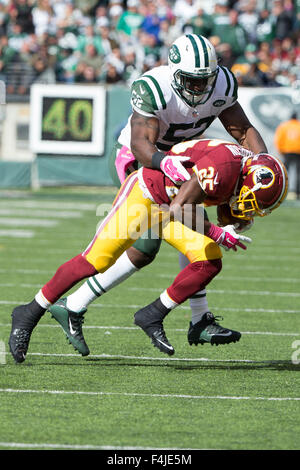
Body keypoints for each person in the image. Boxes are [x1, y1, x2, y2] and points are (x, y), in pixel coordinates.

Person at [9, 33, 268, 359]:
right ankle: (63, 307)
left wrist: (262, 163)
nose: (200, 89)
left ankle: (192, 316)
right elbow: (141, 146)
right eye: (192, 81)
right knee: (145, 245)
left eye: (206, 81)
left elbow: (243, 130)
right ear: (175, 73)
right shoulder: (153, 87)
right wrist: (166, 164)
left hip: (179, 165)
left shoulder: (223, 86)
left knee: (183, 246)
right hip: (140, 163)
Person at [9, 138, 288, 361]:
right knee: (94, 261)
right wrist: (216, 231)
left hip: (172, 203)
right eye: (253, 201)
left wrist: (231, 220)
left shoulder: (242, 168)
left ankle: (153, 314)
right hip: (146, 196)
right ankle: (28, 313)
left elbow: (196, 202)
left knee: (209, 259)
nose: (252, 207)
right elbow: (181, 208)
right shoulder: (225, 166)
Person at [274, 112, 300, 199]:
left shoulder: (284, 126)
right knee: (298, 173)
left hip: (287, 151)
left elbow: (279, 139)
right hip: (298, 151)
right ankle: (297, 193)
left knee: (284, 172)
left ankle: (280, 190)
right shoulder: (299, 126)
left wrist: (281, 150)